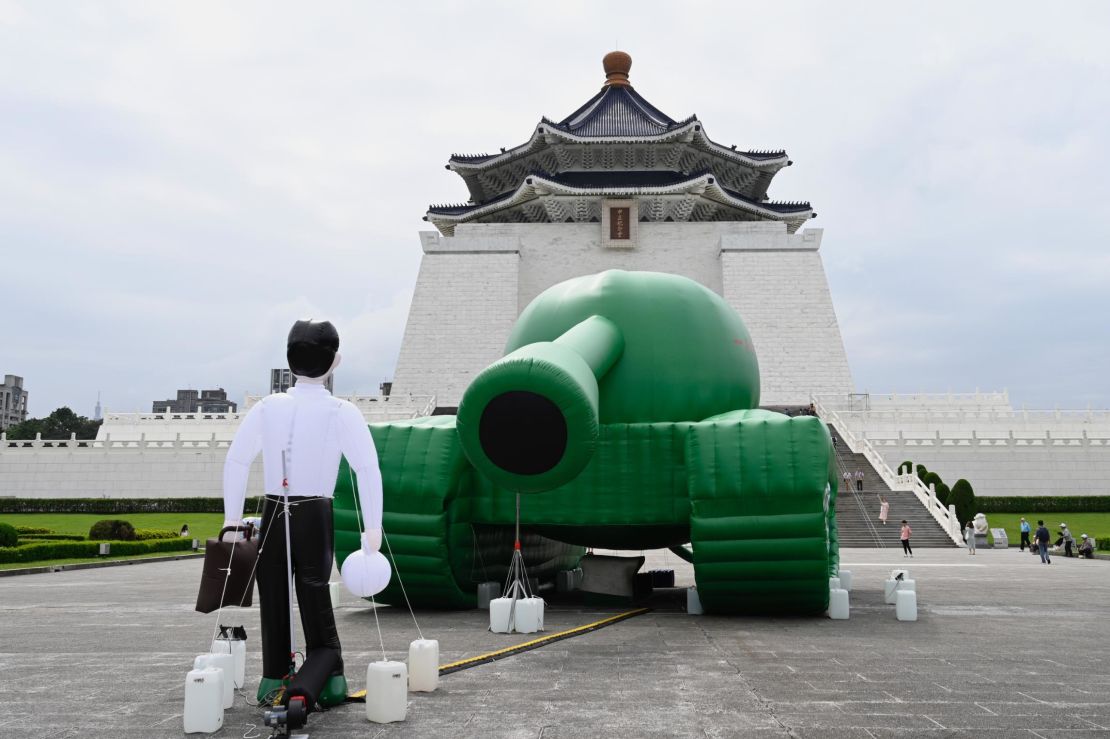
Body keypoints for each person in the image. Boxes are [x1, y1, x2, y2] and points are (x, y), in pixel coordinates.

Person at [222, 319, 386, 711]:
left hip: (274, 508)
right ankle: (327, 679)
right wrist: (373, 525)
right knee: (315, 595)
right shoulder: (341, 411)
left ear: (289, 360)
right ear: (335, 362)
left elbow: (237, 459)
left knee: (273, 594)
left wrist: (231, 519)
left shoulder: (268, 407)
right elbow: (367, 469)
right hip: (313, 510)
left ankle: (273, 677)